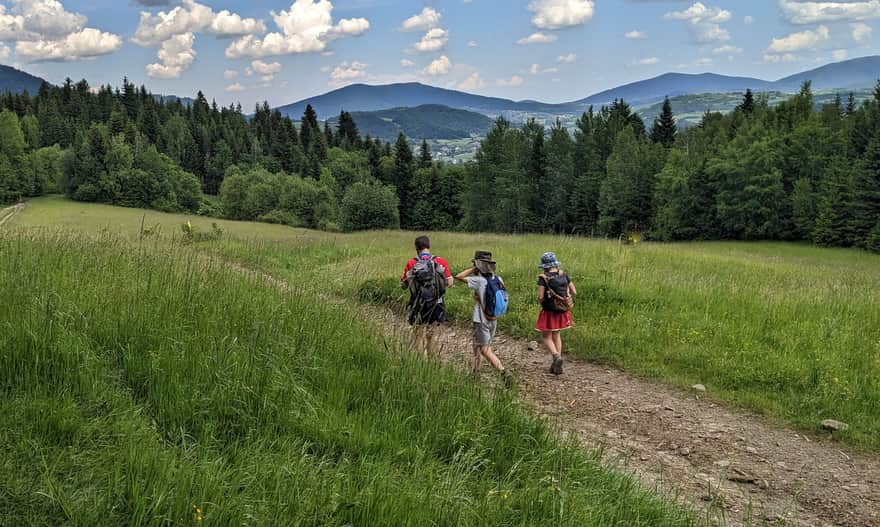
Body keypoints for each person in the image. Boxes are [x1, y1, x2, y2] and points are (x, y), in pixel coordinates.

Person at [455, 251, 509, 383]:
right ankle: (475, 372)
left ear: (479, 265)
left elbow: (458, 276)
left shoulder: (479, 281)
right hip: (493, 318)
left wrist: (474, 268)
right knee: (477, 345)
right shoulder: (499, 279)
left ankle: (503, 372)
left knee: (485, 349)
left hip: (480, 320)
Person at [401, 235, 454, 354]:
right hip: (436, 303)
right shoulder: (440, 261)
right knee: (432, 335)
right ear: (429, 246)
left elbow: (404, 285)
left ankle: (420, 362)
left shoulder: (411, 262)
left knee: (418, 335)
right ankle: (432, 362)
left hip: (417, 304)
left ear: (416, 247)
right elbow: (450, 282)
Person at [535, 252, 576, 375]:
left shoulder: (543, 278)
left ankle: (556, 357)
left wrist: (541, 300)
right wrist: (565, 296)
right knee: (556, 335)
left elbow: (540, 297)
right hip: (562, 310)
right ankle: (557, 364)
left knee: (546, 337)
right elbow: (574, 291)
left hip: (549, 311)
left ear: (544, 266)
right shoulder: (563, 274)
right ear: (555, 264)